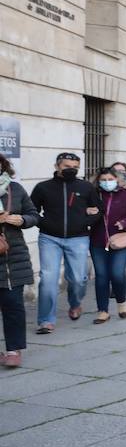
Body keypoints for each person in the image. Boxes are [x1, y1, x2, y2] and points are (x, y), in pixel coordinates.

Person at [30, 151, 99, 332]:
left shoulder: (86, 187)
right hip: (49, 238)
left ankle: (75, 303)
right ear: (57, 166)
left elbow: (98, 210)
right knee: (48, 279)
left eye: (75, 168)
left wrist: (86, 221)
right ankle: (46, 320)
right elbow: (31, 211)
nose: (71, 170)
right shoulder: (42, 187)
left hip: (78, 238)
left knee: (78, 279)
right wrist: (44, 223)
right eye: (67, 167)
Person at [88, 167, 126, 323]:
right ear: (98, 181)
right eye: (103, 180)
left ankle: (121, 301)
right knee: (102, 276)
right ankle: (103, 311)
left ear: (117, 179)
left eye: (110, 179)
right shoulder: (94, 195)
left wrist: (125, 222)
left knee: (117, 273)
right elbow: (84, 213)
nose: (107, 183)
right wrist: (88, 212)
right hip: (98, 241)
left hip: (121, 240)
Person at [0, 156, 39, 366]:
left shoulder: (15, 189)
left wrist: (22, 220)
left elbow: (34, 215)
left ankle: (14, 350)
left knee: (13, 304)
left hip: (12, 257)